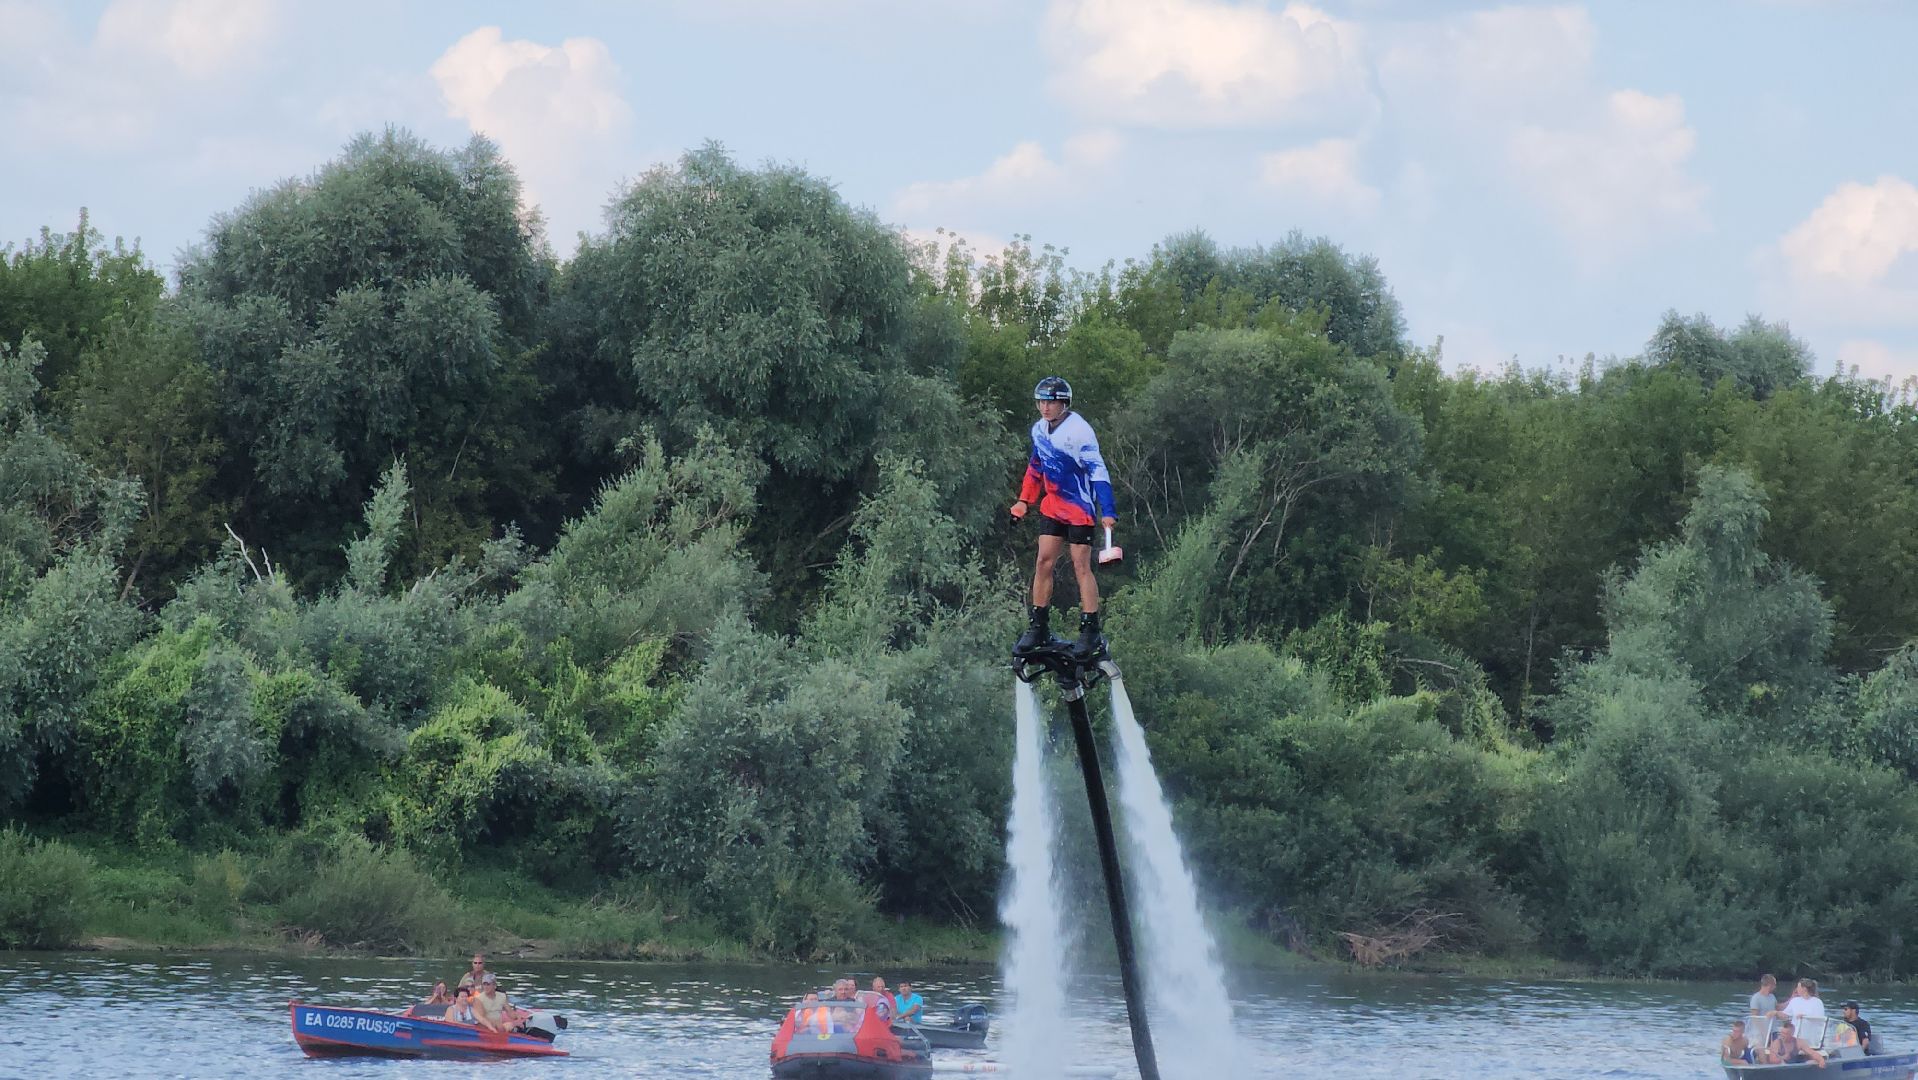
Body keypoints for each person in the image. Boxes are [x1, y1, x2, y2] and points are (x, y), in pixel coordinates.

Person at [1011, 376, 1118, 660]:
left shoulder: (1080, 432)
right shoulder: (1039, 430)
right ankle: (1038, 626)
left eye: (1051, 402)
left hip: (1079, 508)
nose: (1045, 407)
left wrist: (1107, 510)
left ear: (1063, 403)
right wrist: (1024, 500)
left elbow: (1098, 471)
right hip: (1052, 505)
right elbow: (1036, 466)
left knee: (1081, 566)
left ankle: (1090, 629)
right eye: (1041, 402)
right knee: (1043, 561)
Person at [1782, 977, 1826, 1041]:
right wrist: (1775, 1013)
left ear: (1804, 989)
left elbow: (1820, 1020)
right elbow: (1785, 1014)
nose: (1796, 989)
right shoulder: (1794, 1001)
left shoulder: (1817, 1002)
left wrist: (1805, 1017)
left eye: (1798, 987)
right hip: (1795, 1036)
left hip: (1810, 1037)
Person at [1748, 973, 1778, 1038]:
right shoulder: (1756, 998)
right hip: (1760, 1033)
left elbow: (1777, 1008)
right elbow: (1755, 1017)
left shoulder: (1772, 996)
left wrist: (1791, 1000)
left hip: (1773, 1030)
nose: (1775, 987)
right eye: (1774, 984)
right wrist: (1763, 1031)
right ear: (1770, 985)